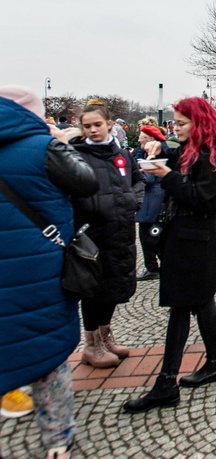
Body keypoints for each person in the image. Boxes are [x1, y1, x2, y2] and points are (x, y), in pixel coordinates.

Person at [1, 85, 98, 459]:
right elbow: (87, 181)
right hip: (39, 269)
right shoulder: (44, 148)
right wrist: (61, 142)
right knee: (47, 358)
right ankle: (58, 440)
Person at [123, 97, 216, 413]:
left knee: (182, 307)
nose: (176, 127)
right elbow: (181, 155)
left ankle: (166, 384)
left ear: (199, 123)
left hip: (196, 244)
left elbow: (199, 197)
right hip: (190, 240)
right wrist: (163, 151)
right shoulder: (197, 149)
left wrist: (165, 176)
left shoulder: (212, 155)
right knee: (199, 303)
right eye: (174, 122)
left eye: (182, 123)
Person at [71, 101, 144, 368]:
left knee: (114, 284)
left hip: (120, 230)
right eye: (86, 126)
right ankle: (91, 344)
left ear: (109, 124)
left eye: (97, 125)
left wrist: (132, 201)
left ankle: (105, 334)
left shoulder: (120, 153)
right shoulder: (75, 156)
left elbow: (138, 180)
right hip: (92, 234)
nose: (92, 130)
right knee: (94, 289)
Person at [135, 125, 167, 281]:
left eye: (142, 136)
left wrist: (135, 174)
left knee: (150, 235)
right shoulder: (144, 153)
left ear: (151, 140)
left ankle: (153, 267)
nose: (139, 139)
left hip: (153, 201)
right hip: (150, 201)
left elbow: (148, 179)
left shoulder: (154, 156)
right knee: (149, 235)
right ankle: (156, 266)